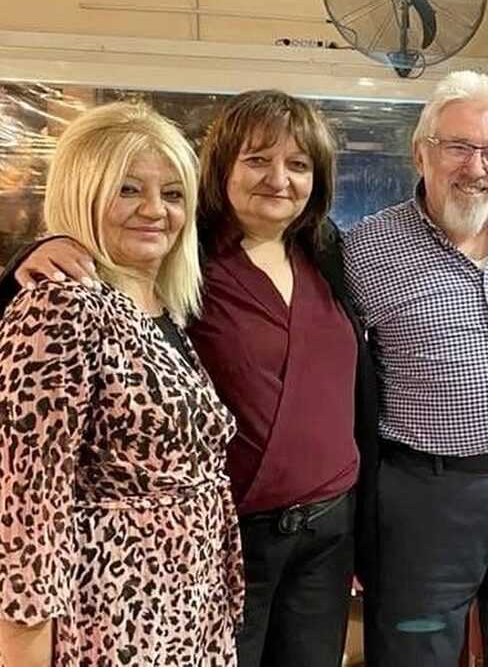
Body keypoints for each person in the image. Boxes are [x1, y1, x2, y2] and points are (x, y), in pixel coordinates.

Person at [7, 91, 377, 667]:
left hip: (322, 532)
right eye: (257, 160)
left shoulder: (326, 252)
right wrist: (44, 249)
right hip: (212, 545)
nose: (279, 178)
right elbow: (41, 386)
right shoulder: (182, 255)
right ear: (221, 168)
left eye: (299, 164)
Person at [344, 70, 488, 666]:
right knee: (414, 653)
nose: (476, 167)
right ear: (420, 153)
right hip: (424, 500)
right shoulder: (366, 250)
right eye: (458, 147)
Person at [0, 102, 244, 666]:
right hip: (110, 615)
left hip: (185, 606)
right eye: (128, 189)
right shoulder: (59, 306)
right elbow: (25, 513)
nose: (155, 210)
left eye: (173, 194)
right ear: (83, 191)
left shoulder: (161, 305)